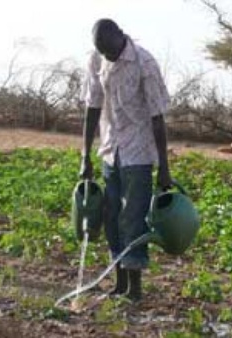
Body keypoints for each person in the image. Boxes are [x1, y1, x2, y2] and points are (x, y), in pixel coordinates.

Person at [79, 18, 172, 302]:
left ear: (121, 36)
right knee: (110, 216)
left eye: (111, 50)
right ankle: (119, 282)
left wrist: (164, 168)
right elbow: (93, 108)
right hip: (112, 148)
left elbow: (158, 118)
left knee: (132, 219)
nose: (108, 56)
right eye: (103, 52)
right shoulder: (97, 60)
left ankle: (135, 288)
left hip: (139, 152)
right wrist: (85, 155)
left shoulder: (145, 64)